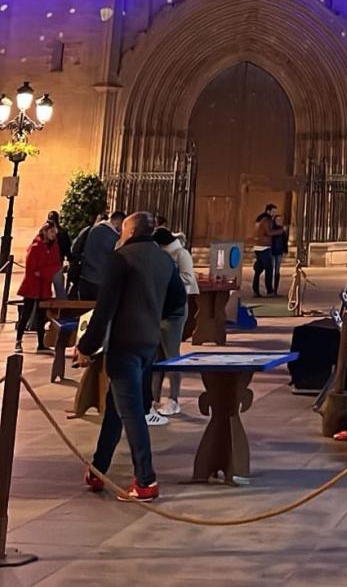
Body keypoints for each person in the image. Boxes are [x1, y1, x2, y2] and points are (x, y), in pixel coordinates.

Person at [77, 210, 186, 501]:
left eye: (122, 231)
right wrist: (153, 314)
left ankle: (146, 481)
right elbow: (178, 299)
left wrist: (86, 346)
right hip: (148, 342)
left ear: (131, 231)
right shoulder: (164, 259)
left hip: (124, 343)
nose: (120, 235)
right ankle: (98, 469)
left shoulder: (122, 258)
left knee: (133, 413)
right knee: (117, 407)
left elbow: (104, 309)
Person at [151, 228, 198, 418]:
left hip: (175, 311)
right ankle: (153, 398)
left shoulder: (180, 253)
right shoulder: (158, 256)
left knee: (172, 355)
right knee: (156, 357)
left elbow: (188, 278)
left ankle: (174, 399)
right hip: (159, 309)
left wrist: (166, 277)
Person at [15, 222, 61, 353]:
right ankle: (18, 341)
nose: (53, 235)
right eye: (51, 232)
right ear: (45, 232)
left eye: (55, 232)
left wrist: (43, 272)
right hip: (32, 285)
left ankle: (41, 344)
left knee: (42, 316)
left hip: (44, 285)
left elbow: (56, 265)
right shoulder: (36, 247)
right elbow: (31, 268)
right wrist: (42, 272)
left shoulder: (54, 247)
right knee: (26, 314)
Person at [73, 211, 124, 301]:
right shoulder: (115, 238)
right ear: (119, 222)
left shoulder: (92, 230)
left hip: (85, 278)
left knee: (84, 307)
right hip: (102, 281)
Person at [252, 204, 275, 297]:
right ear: (268, 211)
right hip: (264, 247)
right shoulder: (266, 220)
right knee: (269, 269)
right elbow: (269, 232)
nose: (274, 213)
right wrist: (281, 231)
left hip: (259, 246)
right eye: (273, 211)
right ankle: (269, 290)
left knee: (259, 269)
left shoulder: (260, 219)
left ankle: (255, 289)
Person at [46, 210, 70, 296]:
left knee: (45, 290)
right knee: (60, 291)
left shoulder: (45, 232)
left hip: (47, 265)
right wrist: (70, 259)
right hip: (58, 263)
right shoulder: (62, 232)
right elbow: (67, 248)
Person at [269, 209, 288, 296]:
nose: (279, 221)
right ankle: (270, 288)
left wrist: (285, 250)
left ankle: (276, 289)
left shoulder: (282, 231)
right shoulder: (273, 229)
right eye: (277, 220)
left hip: (279, 251)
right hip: (272, 251)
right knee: (271, 269)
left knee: (277, 270)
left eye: (280, 220)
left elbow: (285, 241)